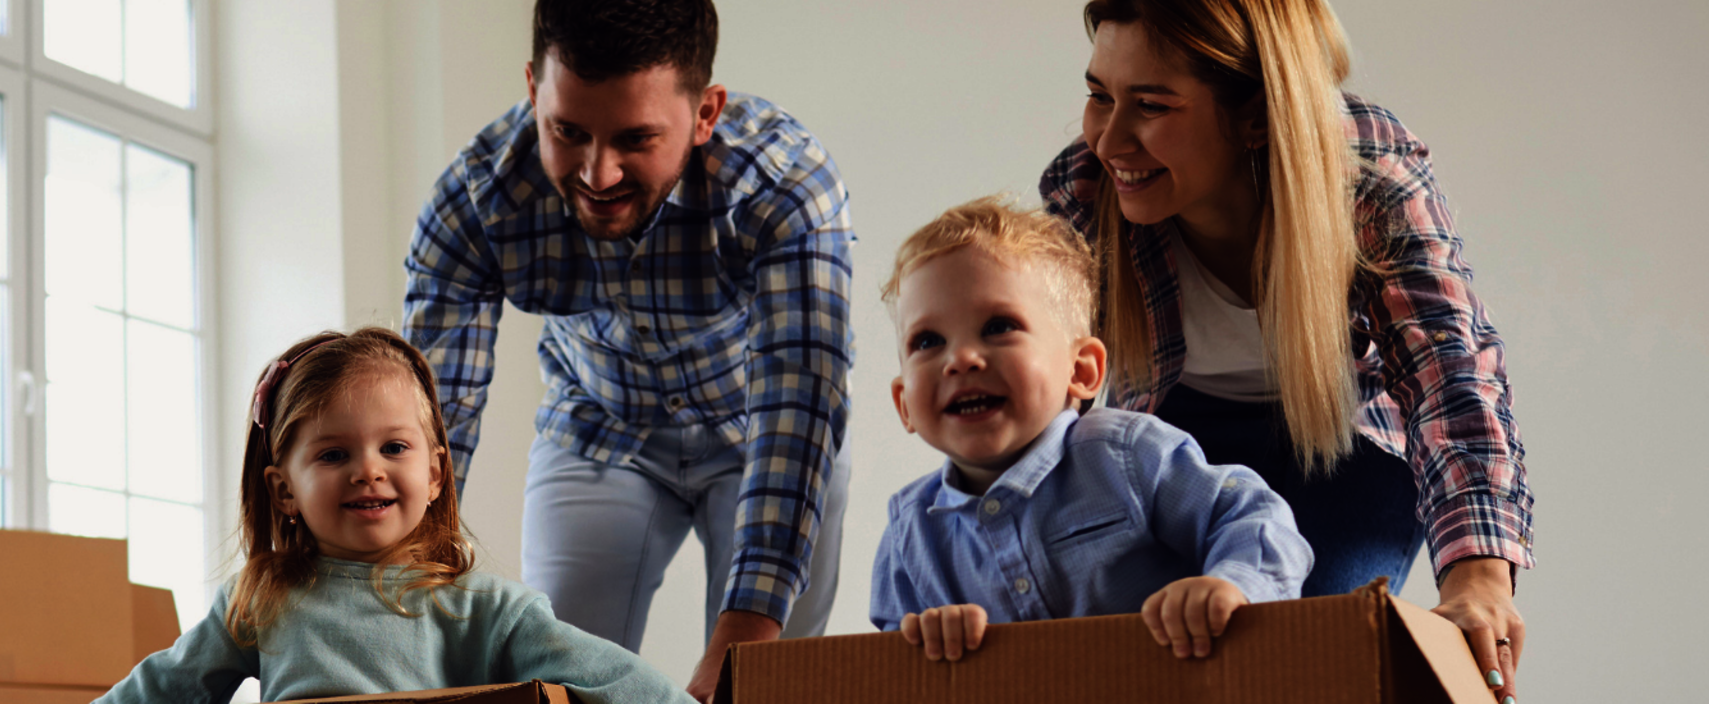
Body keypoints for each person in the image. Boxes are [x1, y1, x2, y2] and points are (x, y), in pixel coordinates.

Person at [1039, 1, 1535, 700]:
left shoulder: (1367, 173)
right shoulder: (1084, 190)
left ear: (1255, 117)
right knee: (1148, 644)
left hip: (1340, 446)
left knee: (1296, 652)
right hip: (1174, 439)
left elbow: (1448, 375)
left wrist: (1479, 581)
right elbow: (1046, 403)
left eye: (1150, 105)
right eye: (1099, 96)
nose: (1109, 140)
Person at [402, 0, 853, 698]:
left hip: (764, 430)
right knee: (553, 681)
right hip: (598, 424)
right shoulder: (476, 198)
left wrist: (745, 633)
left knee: (762, 683)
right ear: (533, 89)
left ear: (705, 113)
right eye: (568, 131)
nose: (598, 174)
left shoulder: (786, 185)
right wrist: (389, 605)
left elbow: (801, 394)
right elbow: (430, 425)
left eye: (635, 139)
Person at [96, 329, 695, 704]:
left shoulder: (487, 610)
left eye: (394, 448)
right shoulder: (259, 601)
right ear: (284, 492)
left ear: (435, 474)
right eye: (333, 454)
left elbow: (614, 678)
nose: (368, 470)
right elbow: (160, 689)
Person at [869, 196, 1312, 663]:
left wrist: (1229, 585)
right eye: (928, 341)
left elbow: (1252, 517)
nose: (960, 359)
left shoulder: (1126, 456)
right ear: (905, 406)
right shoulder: (909, 534)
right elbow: (889, 662)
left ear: (1081, 370)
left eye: (998, 326)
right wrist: (925, 642)